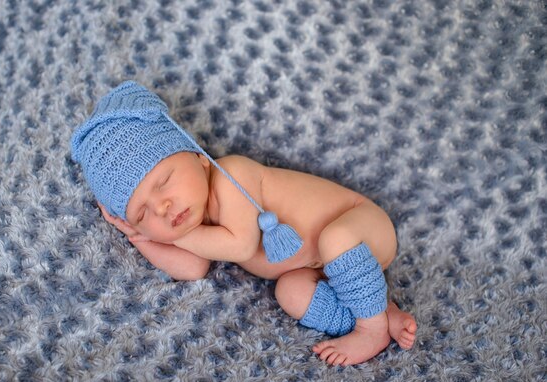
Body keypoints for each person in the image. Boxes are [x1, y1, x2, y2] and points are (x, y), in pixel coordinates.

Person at [71, 80, 417, 366]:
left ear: (198, 157)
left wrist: (170, 236)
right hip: (328, 272)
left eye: (164, 181)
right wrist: (142, 238)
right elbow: (193, 268)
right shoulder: (190, 229)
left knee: (336, 238)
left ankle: (369, 330)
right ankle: (379, 313)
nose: (162, 207)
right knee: (291, 293)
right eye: (142, 213)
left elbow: (241, 244)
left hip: (362, 228)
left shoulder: (232, 174)